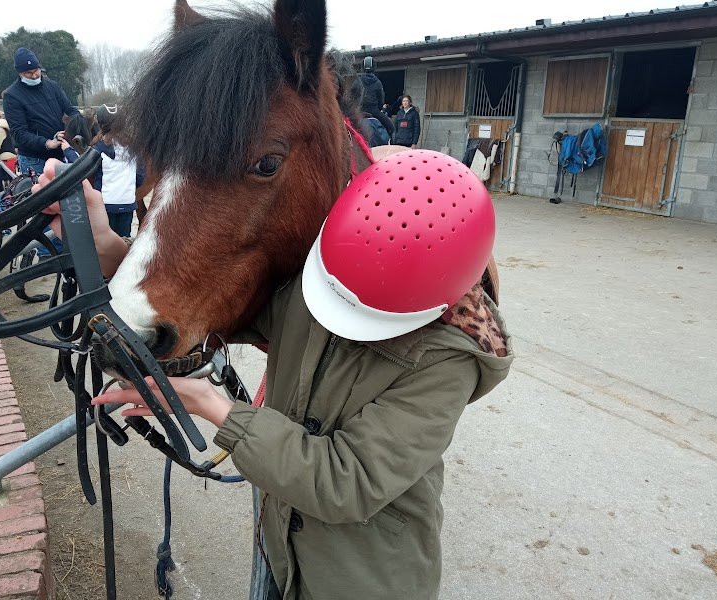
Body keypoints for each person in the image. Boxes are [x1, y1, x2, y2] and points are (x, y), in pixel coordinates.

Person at [35, 149, 513, 600]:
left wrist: (215, 406)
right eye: (335, 292)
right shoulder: (325, 278)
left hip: (364, 579)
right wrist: (103, 244)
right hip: (282, 543)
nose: (338, 306)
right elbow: (210, 306)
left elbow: (345, 482)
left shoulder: (447, 361)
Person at [3, 47, 78, 257]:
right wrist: (47, 143)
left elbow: (70, 108)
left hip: (60, 155)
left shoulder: (52, 86)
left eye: (36, 70)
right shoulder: (12, 96)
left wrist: (77, 122)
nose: (35, 75)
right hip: (35, 158)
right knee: (45, 208)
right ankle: (48, 255)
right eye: (29, 73)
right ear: (20, 73)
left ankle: (67, 248)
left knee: (65, 204)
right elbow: (19, 133)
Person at [92, 105, 144, 237]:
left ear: (101, 125)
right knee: (124, 238)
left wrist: (67, 150)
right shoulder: (134, 150)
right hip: (127, 202)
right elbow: (140, 178)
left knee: (107, 239)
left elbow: (84, 169)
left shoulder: (98, 150)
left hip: (106, 204)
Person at [354, 56, 394, 139]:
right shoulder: (377, 82)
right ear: (374, 67)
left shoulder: (358, 81)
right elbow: (381, 101)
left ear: (363, 67)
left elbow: (353, 96)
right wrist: (378, 109)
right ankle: (389, 144)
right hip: (374, 111)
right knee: (391, 127)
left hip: (360, 110)